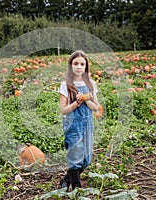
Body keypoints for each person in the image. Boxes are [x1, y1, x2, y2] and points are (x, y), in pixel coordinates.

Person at [58, 50, 100, 191]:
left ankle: (66, 179)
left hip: (87, 124)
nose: (79, 67)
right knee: (75, 158)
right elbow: (63, 110)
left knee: (86, 160)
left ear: (86, 66)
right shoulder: (65, 85)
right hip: (72, 124)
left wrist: (86, 99)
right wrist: (76, 103)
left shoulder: (91, 84)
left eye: (82, 64)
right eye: (76, 63)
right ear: (71, 66)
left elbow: (96, 108)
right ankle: (76, 188)